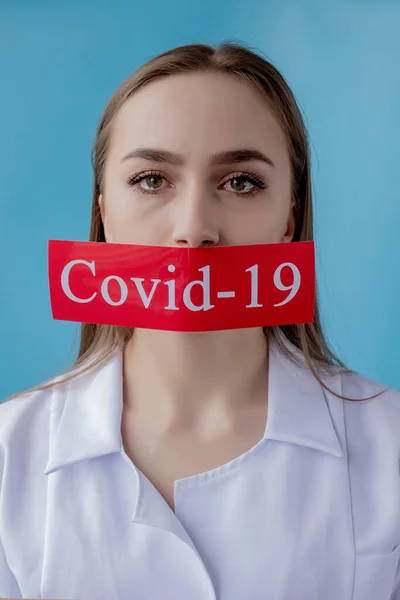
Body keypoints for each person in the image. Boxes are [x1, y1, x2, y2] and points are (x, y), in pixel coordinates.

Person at [0, 41, 399, 600]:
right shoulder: (9, 454)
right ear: (103, 211)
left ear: (290, 215)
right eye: (151, 179)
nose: (194, 229)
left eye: (240, 182)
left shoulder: (391, 442)